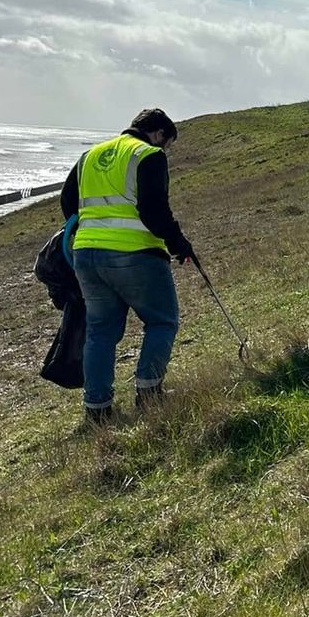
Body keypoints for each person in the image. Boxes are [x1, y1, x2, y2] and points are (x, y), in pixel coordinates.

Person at [60, 107, 196, 424]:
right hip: (136, 253)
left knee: (101, 332)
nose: (166, 151)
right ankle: (149, 396)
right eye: (168, 144)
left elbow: (68, 202)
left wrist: (92, 228)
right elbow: (153, 210)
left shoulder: (90, 156)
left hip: (87, 256)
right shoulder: (148, 155)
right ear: (159, 133)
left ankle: (97, 409)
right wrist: (179, 244)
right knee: (162, 322)